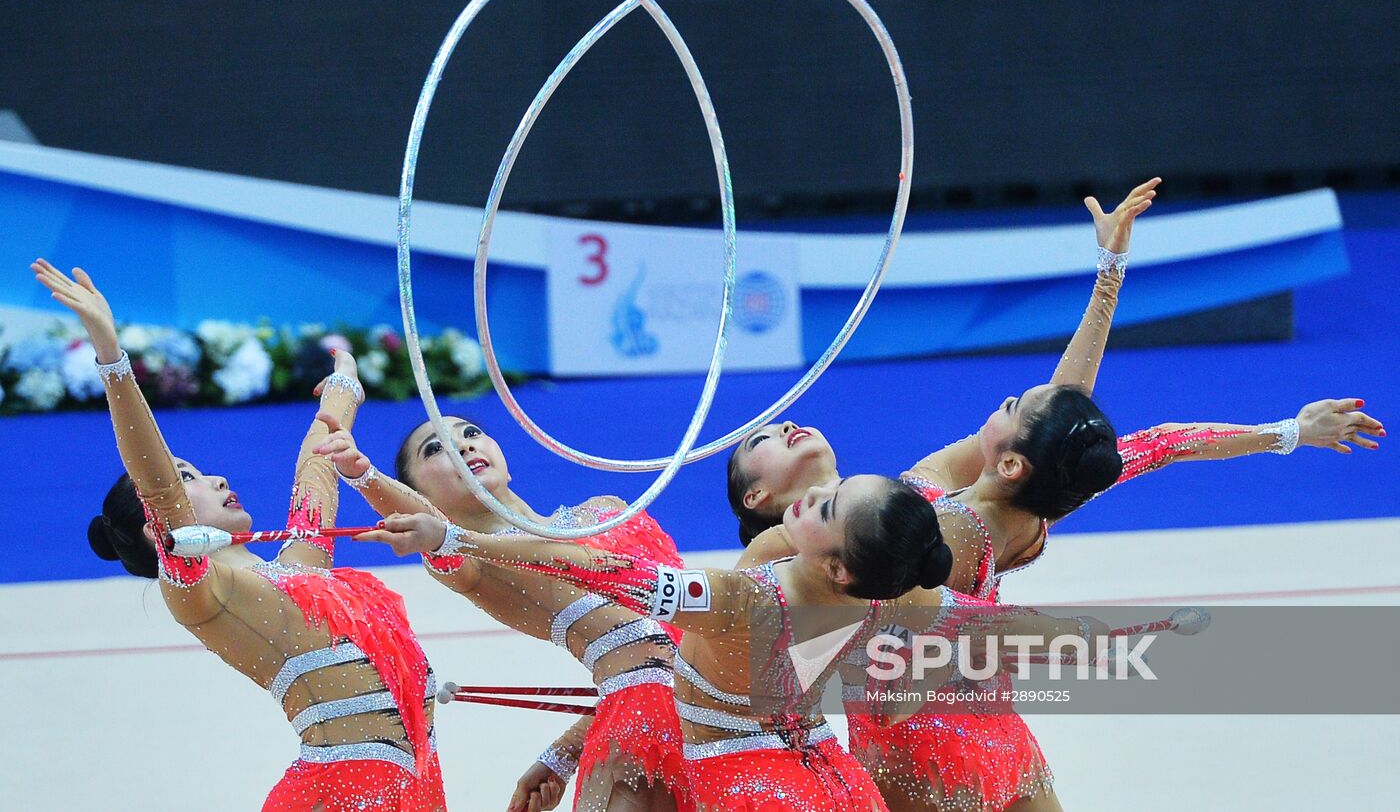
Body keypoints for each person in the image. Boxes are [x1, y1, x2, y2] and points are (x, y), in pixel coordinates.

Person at [721, 179, 1385, 811]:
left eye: (1011, 407)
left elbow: (1070, 420)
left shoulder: (920, 519)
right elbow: (1126, 434)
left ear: (1012, 461)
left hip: (919, 749)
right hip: (991, 732)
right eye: (763, 444)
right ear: (754, 495)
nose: (1004, 401)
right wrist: (1288, 431)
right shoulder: (1007, 497)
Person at [32, 259, 445, 812]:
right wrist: (113, 358)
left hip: (408, 792)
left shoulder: (300, 566)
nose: (216, 478)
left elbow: (318, 468)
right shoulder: (201, 593)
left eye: (200, 472)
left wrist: (344, 387)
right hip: (337, 798)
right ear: (162, 536)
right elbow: (156, 485)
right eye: (190, 479)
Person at [356, 475, 974, 812]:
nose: (811, 495)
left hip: (756, 789)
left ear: (840, 566)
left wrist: (456, 539)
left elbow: (592, 570)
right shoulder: (883, 595)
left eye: (828, 507)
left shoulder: (746, 601)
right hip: (831, 781)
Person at [316, 413, 692, 812]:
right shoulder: (476, 563)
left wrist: (562, 755)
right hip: (645, 749)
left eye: (471, 433)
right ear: (421, 499)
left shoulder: (608, 510)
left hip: (726, 712)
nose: (463, 446)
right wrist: (364, 475)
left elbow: (671, 653)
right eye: (436, 448)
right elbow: (644, 676)